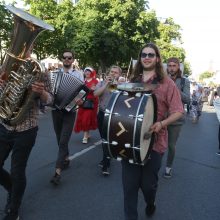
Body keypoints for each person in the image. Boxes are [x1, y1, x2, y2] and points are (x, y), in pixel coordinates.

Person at [122, 43, 184, 220]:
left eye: (151, 54)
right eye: (143, 55)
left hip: (155, 142)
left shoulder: (167, 83)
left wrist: (162, 123)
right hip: (130, 139)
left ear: (157, 58)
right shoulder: (132, 82)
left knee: (148, 185)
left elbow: (178, 110)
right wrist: (115, 87)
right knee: (129, 186)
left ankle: (151, 202)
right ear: (140, 58)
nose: (147, 57)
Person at [0, 46, 53, 220]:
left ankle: (13, 208)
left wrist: (42, 92)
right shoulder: (5, 67)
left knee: (17, 170)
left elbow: (50, 99)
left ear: (31, 48)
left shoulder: (41, 71)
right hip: (4, 124)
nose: (23, 49)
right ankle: (12, 190)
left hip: (26, 128)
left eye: (27, 46)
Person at [50, 49, 84, 185]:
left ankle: (57, 172)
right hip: (55, 110)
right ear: (62, 59)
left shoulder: (79, 75)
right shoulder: (54, 74)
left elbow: (82, 92)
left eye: (69, 58)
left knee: (63, 141)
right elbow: (50, 90)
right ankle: (66, 157)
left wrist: (79, 99)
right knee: (60, 139)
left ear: (73, 60)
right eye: (65, 57)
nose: (67, 60)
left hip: (70, 111)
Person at [163, 57, 190, 178]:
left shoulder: (184, 81)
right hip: (161, 117)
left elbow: (187, 99)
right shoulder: (162, 79)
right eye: (169, 65)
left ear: (178, 67)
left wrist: (174, 87)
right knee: (154, 142)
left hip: (176, 119)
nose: (171, 68)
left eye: (174, 66)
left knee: (171, 145)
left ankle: (168, 167)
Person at [94, 65, 122, 176]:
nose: (113, 73)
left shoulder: (121, 86)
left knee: (108, 138)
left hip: (113, 116)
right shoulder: (101, 83)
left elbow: (114, 93)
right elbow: (96, 94)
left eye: (116, 72)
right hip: (101, 113)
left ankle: (106, 164)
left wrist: (113, 83)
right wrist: (106, 83)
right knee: (103, 138)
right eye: (112, 71)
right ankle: (107, 157)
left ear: (119, 75)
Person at [74, 67, 99, 144]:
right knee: (83, 119)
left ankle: (85, 136)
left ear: (92, 73)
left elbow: (97, 92)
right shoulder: (82, 81)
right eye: (86, 72)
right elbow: (78, 92)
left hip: (91, 103)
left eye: (89, 72)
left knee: (86, 119)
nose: (87, 73)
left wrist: (94, 89)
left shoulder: (95, 81)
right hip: (82, 102)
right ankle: (87, 134)